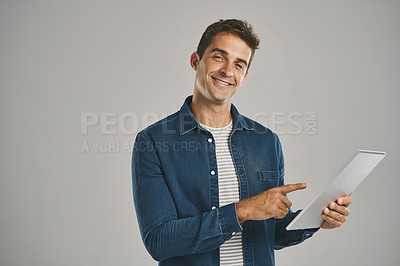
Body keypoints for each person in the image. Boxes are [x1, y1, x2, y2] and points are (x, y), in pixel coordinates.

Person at [131, 19, 352, 266]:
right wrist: (241, 211)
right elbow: (159, 241)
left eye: (239, 64)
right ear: (195, 61)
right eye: (218, 57)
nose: (227, 71)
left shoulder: (266, 141)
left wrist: (316, 219)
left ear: (244, 77)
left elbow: (273, 233)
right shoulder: (153, 142)